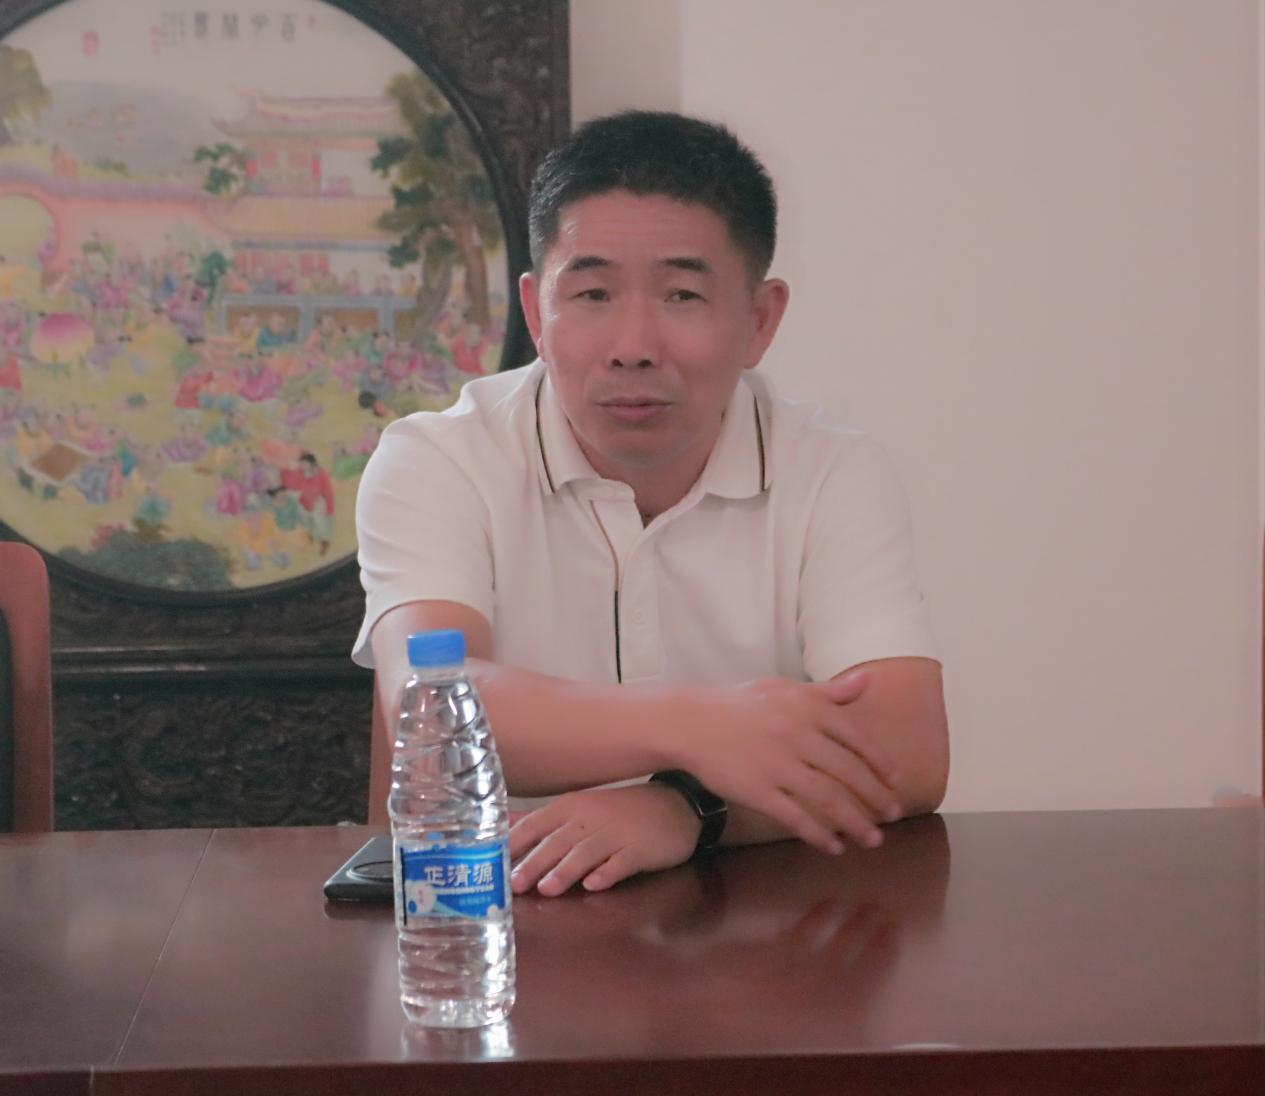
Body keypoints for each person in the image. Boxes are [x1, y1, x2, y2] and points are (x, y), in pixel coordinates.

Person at [353, 110, 948, 898]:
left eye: (681, 294)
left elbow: (906, 749)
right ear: (535, 314)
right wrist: (702, 727)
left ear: (759, 320)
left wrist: (687, 808)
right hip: (487, 919)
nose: (632, 346)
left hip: (752, 933)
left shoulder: (833, 473)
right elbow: (431, 714)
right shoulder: (438, 460)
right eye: (592, 293)